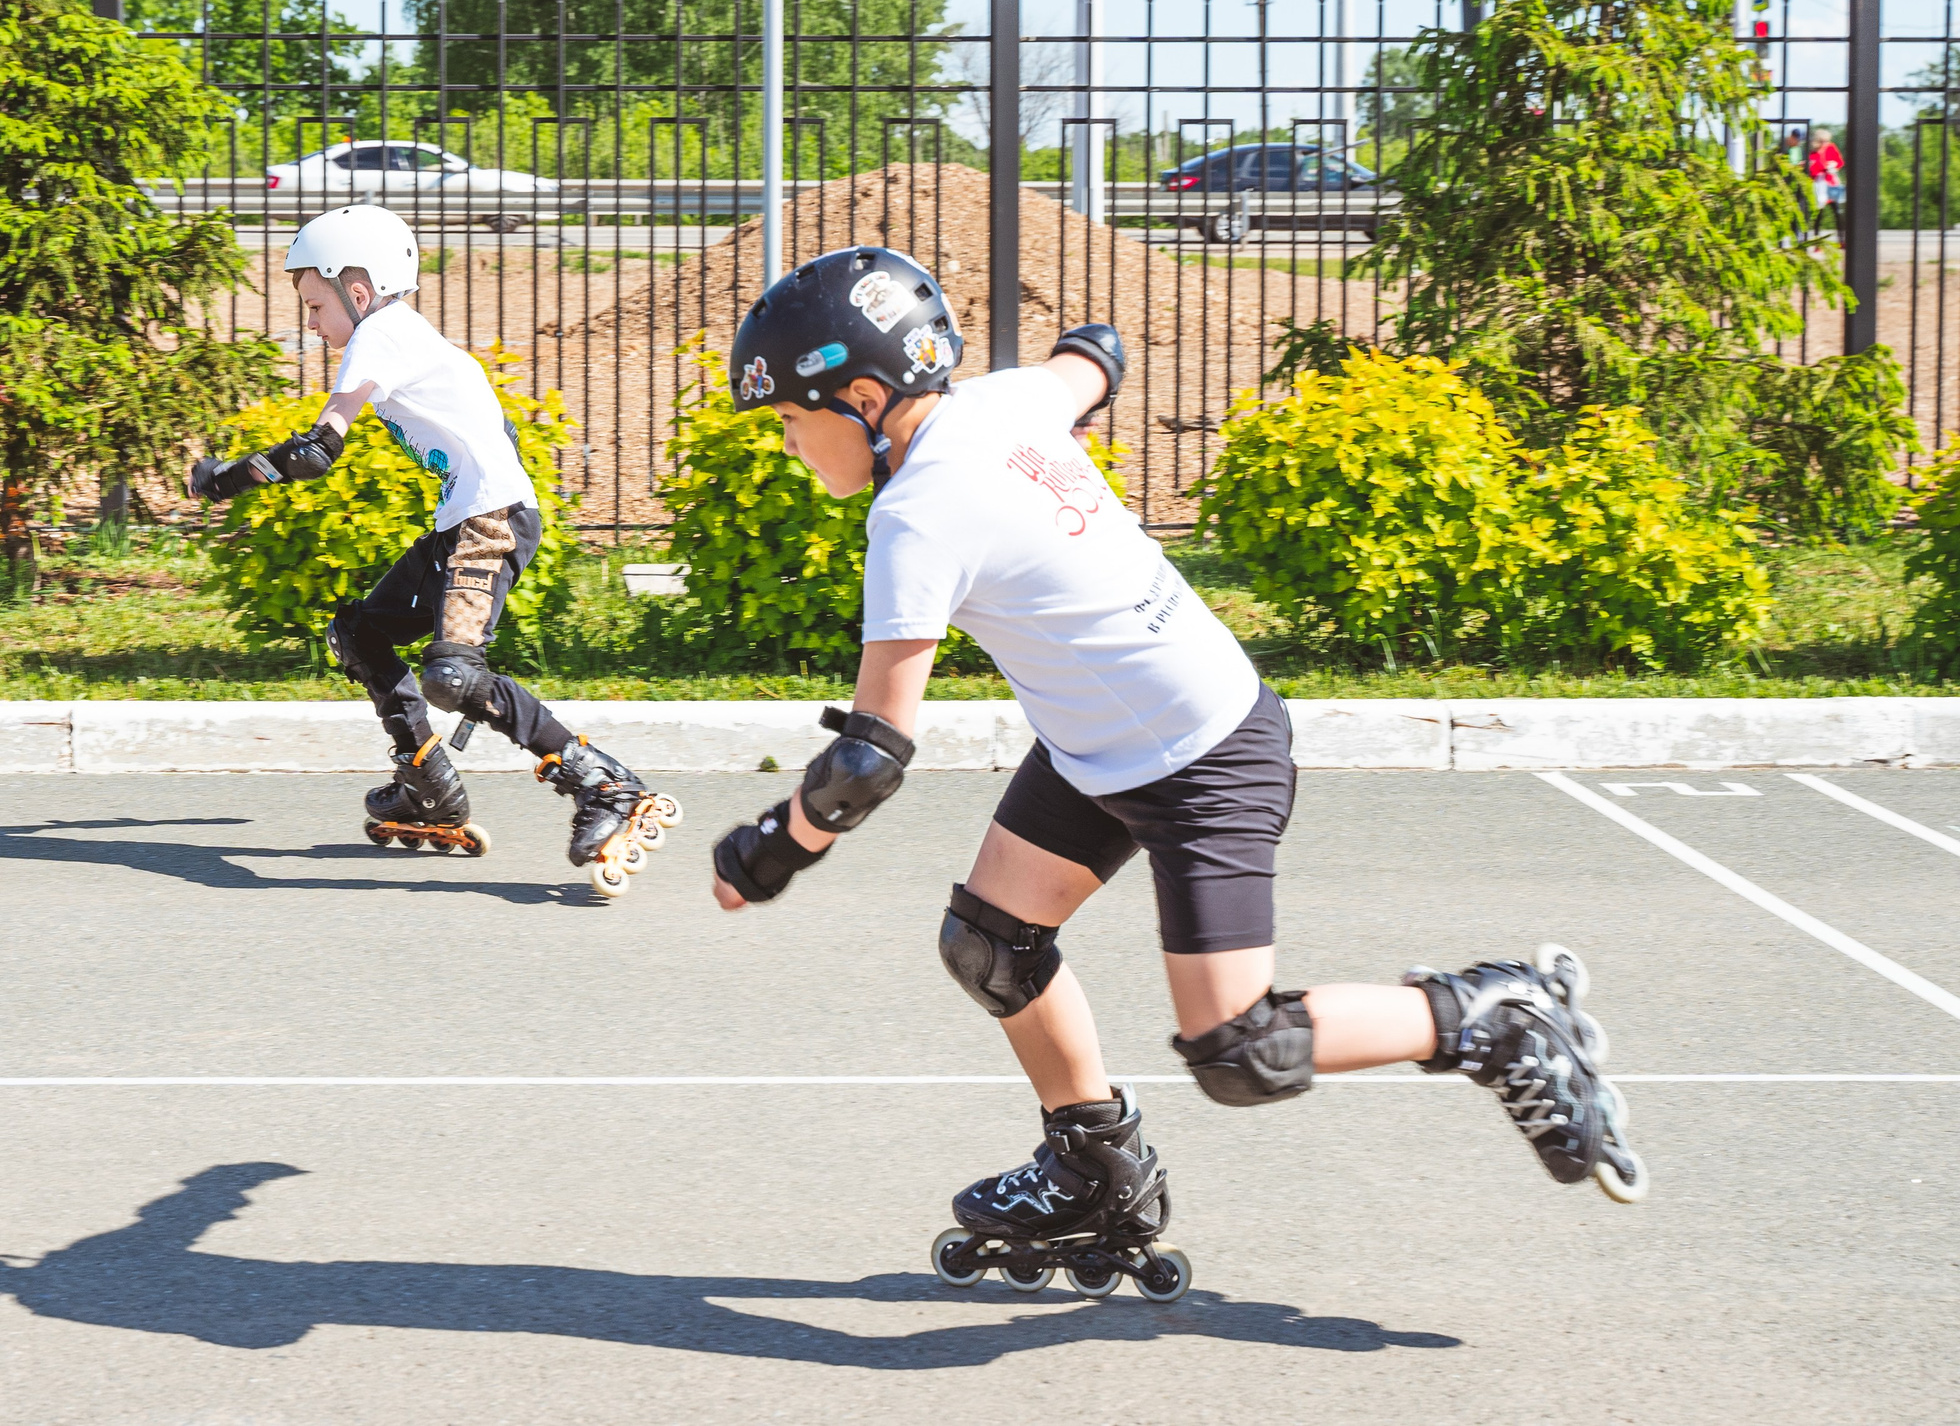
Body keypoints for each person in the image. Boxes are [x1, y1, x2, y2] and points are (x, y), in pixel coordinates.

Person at [706, 245, 1645, 1297]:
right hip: (1102, 745)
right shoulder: (1002, 403)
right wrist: (1071, 411)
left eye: (791, 419)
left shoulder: (916, 514)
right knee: (989, 944)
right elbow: (1091, 357)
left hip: (1207, 760)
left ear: (867, 399)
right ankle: (1091, 1165)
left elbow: (870, 757)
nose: (788, 445)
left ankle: (1491, 1017)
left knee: (1239, 1052)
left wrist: (772, 851)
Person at [189, 204, 677, 897]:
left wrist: (223, 479)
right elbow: (493, 427)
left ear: (358, 294)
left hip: (489, 521)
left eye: (315, 303)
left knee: (452, 674)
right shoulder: (413, 339)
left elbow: (315, 450)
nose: (310, 323)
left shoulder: (380, 335)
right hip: (468, 522)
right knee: (360, 631)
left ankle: (603, 782)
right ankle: (427, 782)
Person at [1807, 126, 1846, 237]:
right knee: (1819, 214)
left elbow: (1840, 162)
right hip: (1820, 185)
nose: (1825, 143)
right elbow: (1811, 171)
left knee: (1838, 212)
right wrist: (1820, 169)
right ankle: (1817, 240)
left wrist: (1834, 165)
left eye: (1827, 141)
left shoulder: (1831, 148)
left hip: (1832, 183)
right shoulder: (1813, 154)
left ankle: (1842, 239)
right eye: (1823, 141)